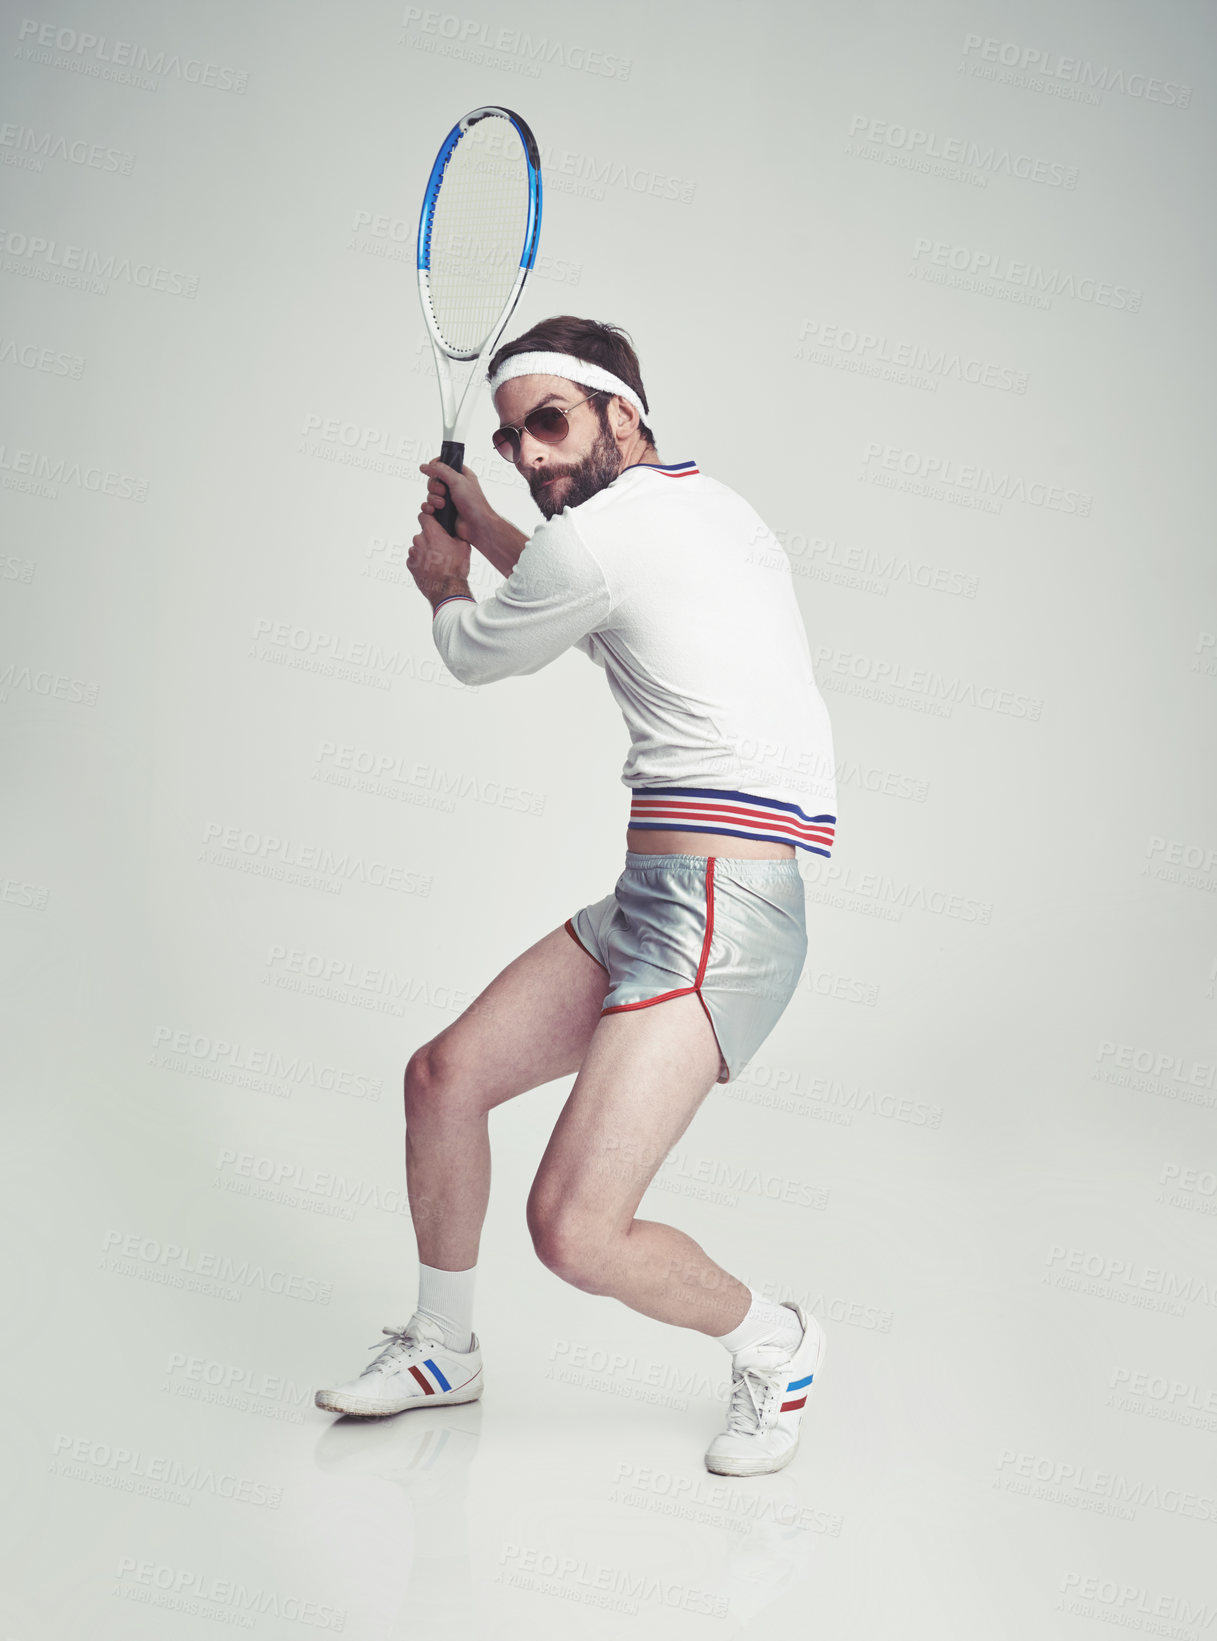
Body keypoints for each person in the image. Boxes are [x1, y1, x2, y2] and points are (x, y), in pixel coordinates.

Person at [315, 317, 838, 1477]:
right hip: (657, 896)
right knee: (443, 1080)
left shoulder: (596, 545)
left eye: (549, 422)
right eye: (510, 442)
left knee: (574, 1231)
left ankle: (777, 1343)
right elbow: (589, 585)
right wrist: (494, 523)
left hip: (718, 915)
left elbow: (476, 650)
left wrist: (446, 579)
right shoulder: (707, 509)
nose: (531, 454)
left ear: (624, 412)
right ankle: (442, 1348)